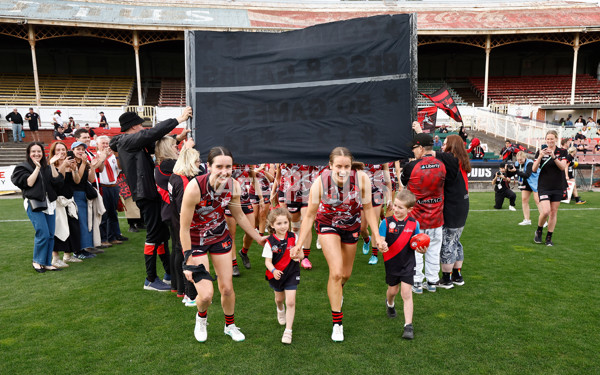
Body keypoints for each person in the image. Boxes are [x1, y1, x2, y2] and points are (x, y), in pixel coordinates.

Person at [291, 147, 384, 342]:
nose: (343, 170)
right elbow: (309, 216)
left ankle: (337, 291)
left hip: (352, 226)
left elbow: (368, 208)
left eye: (347, 166)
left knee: (346, 275)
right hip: (327, 225)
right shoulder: (320, 182)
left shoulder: (361, 179)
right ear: (330, 166)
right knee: (336, 273)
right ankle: (337, 324)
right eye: (339, 166)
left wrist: (377, 236)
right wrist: (299, 244)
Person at [179, 146, 267, 343]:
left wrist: (258, 236)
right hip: (196, 241)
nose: (225, 171)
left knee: (227, 288)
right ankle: (201, 318)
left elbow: (239, 215)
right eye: (219, 166)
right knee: (206, 295)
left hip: (219, 237)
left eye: (228, 166)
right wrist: (188, 260)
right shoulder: (194, 188)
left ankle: (230, 325)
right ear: (208, 166)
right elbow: (183, 228)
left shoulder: (234, 185)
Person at [110, 107, 192, 292]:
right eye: (140, 125)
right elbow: (153, 134)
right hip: (146, 194)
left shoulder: (131, 143)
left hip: (148, 193)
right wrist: (178, 119)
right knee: (154, 236)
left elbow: (154, 142)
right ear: (132, 127)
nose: (142, 128)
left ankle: (169, 274)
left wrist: (177, 139)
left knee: (161, 236)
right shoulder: (127, 141)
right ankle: (150, 279)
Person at [400, 133, 447, 293]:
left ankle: (417, 283)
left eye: (413, 148)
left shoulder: (411, 167)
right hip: (436, 218)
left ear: (420, 148)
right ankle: (432, 282)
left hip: (416, 219)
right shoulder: (441, 165)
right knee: (433, 250)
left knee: (415, 252)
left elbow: (403, 182)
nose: (412, 151)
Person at [379, 190, 427, 340]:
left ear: (409, 210)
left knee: (406, 293)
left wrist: (422, 249)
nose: (396, 209)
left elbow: (417, 243)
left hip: (408, 263)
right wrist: (382, 245)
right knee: (392, 291)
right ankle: (390, 303)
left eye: (400, 207)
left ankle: (408, 326)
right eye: (395, 205)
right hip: (392, 262)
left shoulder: (414, 224)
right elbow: (380, 240)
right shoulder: (385, 222)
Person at [11, 142, 65, 272]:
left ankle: (46, 262)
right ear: (29, 154)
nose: (36, 154)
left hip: (49, 203)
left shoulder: (47, 167)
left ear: (43, 153)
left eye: (39, 151)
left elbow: (57, 182)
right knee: (43, 233)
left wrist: (51, 165)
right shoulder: (22, 167)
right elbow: (29, 182)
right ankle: (37, 261)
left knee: (51, 234)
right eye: (33, 152)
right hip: (34, 203)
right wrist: (36, 168)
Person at [154, 132, 192, 290]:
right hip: (174, 211)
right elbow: (183, 166)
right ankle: (181, 285)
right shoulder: (167, 164)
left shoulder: (164, 164)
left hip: (170, 211)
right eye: (173, 145)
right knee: (180, 248)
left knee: (177, 247)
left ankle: (177, 285)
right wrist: (187, 150)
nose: (176, 147)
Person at [169, 146, 206, 303]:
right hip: (185, 224)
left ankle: (180, 289)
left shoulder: (174, 176)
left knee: (179, 253)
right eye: (197, 161)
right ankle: (190, 294)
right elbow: (184, 208)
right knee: (189, 255)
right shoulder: (184, 181)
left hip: (175, 221)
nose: (199, 164)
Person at [262, 207, 301, 344]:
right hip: (276, 275)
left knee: (290, 301)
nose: (283, 226)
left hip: (292, 272)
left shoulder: (294, 237)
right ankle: (280, 309)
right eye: (279, 223)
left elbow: (301, 254)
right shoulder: (270, 242)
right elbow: (267, 261)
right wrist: (273, 271)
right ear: (272, 225)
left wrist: (298, 257)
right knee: (279, 299)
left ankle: (288, 331)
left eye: (285, 222)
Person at [437, 135, 470, 288]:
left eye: (444, 144)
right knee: (455, 240)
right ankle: (457, 275)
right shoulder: (461, 160)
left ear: (452, 146)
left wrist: (418, 130)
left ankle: (446, 279)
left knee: (448, 242)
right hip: (462, 204)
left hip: (453, 206)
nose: (442, 147)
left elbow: (431, 152)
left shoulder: (451, 159)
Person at [48, 141, 82, 267]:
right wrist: (63, 165)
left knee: (72, 228)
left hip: (69, 201)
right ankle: (55, 258)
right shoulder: (51, 166)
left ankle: (68, 255)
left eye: (63, 149)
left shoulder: (70, 164)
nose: (61, 152)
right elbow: (58, 181)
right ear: (53, 152)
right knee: (58, 230)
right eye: (58, 150)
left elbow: (76, 181)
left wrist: (74, 170)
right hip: (58, 203)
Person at [532, 130, 568, 246]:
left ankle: (549, 237)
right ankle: (539, 230)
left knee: (553, 212)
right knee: (546, 211)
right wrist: (540, 156)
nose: (550, 141)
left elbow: (562, 167)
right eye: (548, 139)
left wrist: (553, 156)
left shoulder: (562, 151)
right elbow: (533, 169)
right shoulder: (540, 151)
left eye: (552, 138)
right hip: (544, 186)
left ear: (556, 139)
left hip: (557, 186)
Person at [71, 141, 102, 258]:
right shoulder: (72, 163)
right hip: (75, 195)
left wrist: (92, 167)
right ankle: (78, 251)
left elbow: (91, 179)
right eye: (78, 149)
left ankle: (84, 248)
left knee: (87, 223)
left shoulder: (85, 162)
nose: (80, 151)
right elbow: (77, 180)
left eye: (82, 149)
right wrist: (84, 163)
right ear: (73, 150)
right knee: (81, 223)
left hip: (84, 195)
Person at [96, 135, 128, 248]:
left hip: (113, 186)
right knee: (104, 214)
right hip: (103, 186)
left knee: (113, 213)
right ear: (97, 145)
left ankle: (113, 236)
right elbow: (99, 169)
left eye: (106, 143)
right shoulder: (97, 156)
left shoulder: (114, 156)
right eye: (103, 143)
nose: (105, 145)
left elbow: (120, 168)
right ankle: (103, 238)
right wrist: (104, 157)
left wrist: (116, 154)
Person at [507, 151, 540, 225]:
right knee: (524, 200)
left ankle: (543, 220)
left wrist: (516, 171)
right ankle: (527, 220)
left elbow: (527, 175)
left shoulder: (530, 163)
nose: (519, 161)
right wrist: (508, 170)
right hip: (526, 183)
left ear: (525, 158)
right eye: (518, 160)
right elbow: (512, 174)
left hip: (535, 182)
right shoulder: (517, 164)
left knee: (537, 201)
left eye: (521, 160)